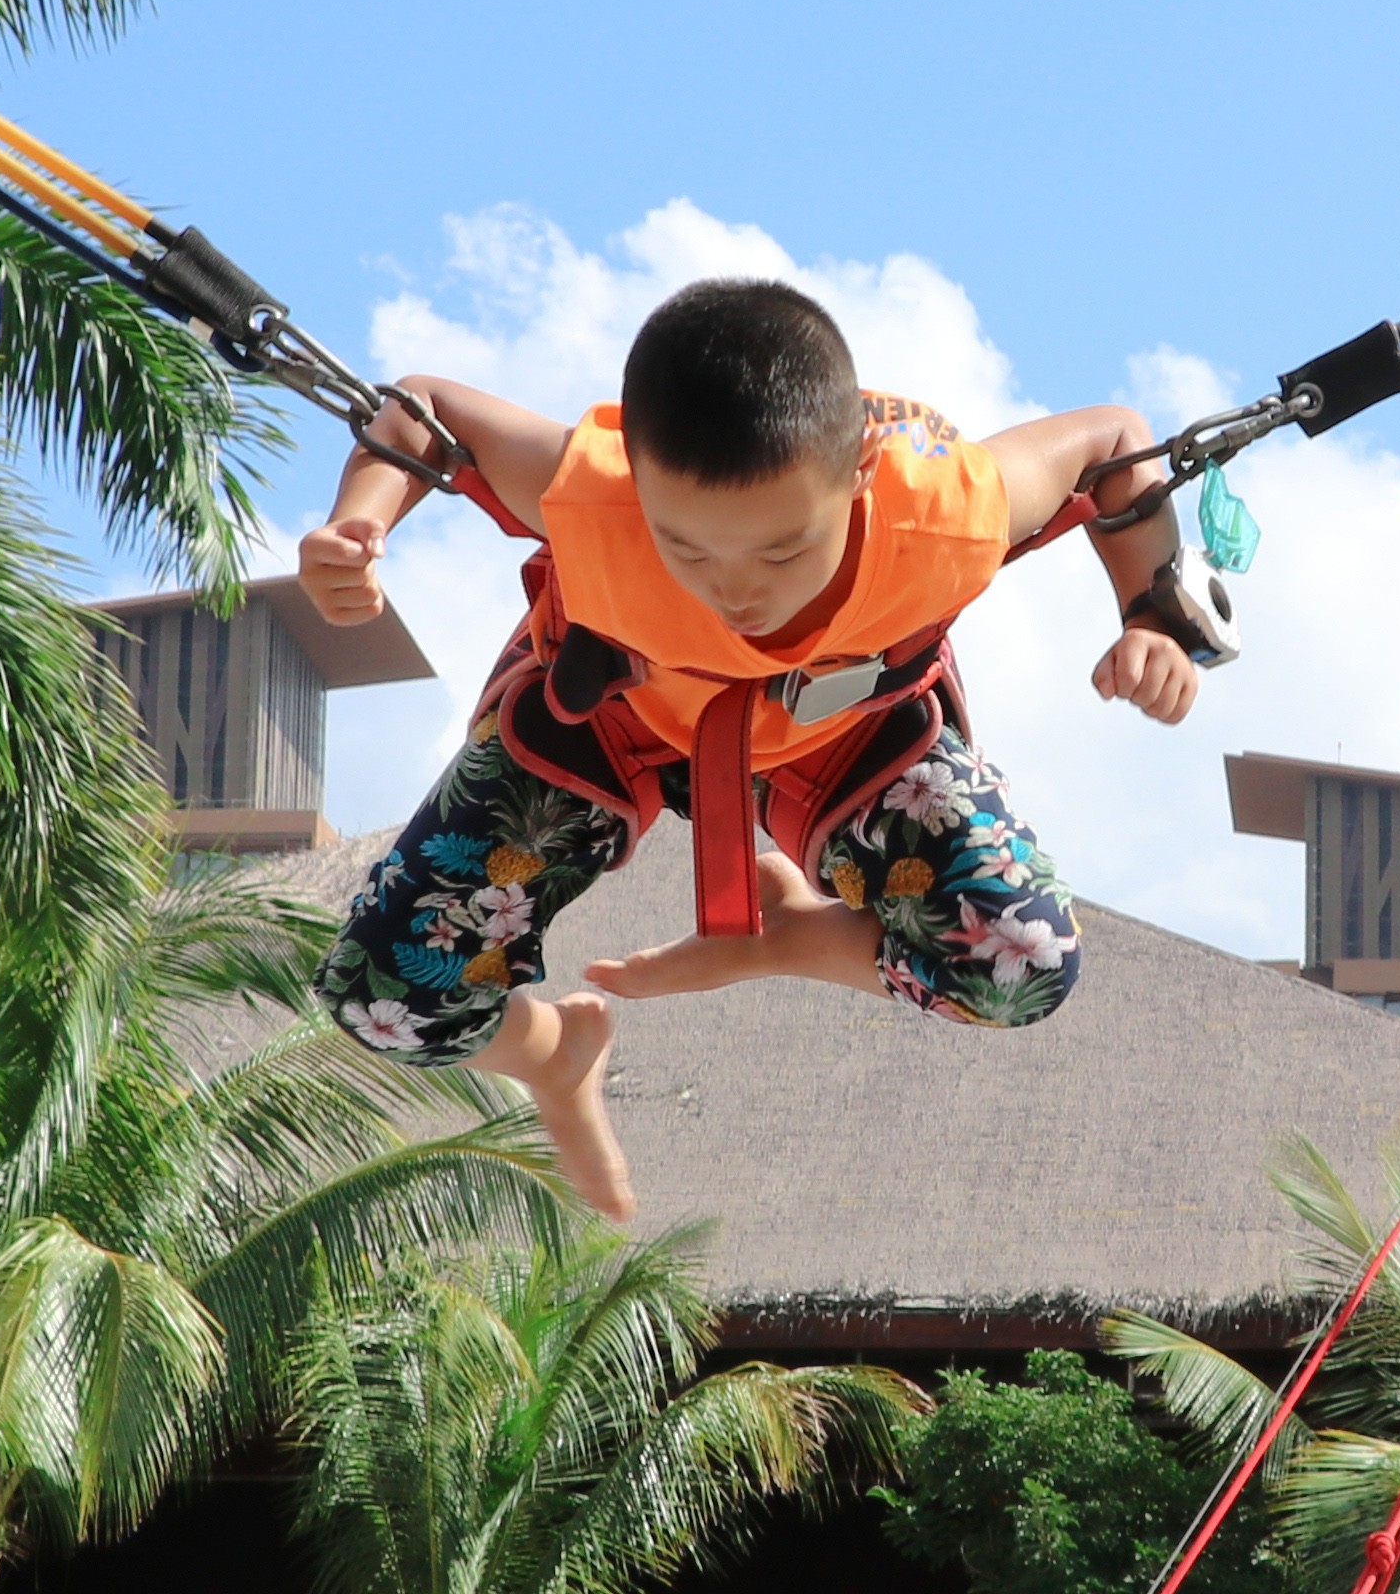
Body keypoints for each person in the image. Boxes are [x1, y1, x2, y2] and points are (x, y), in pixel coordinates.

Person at [298, 279, 1213, 1219]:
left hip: (838, 733)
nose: (737, 592)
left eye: (781, 552)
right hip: (617, 720)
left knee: (1024, 964)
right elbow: (424, 408)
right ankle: (554, 1055)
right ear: (638, 483)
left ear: (858, 474)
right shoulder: (591, 488)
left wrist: (1152, 619)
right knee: (382, 996)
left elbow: (1114, 447)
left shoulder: (944, 506)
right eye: (685, 551)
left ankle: (791, 938)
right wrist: (359, 520)